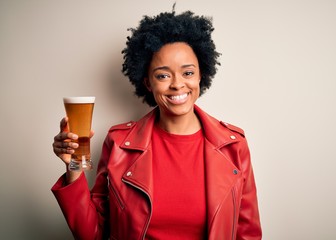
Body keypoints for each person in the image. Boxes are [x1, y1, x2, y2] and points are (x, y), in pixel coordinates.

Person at [52, 8, 262, 240]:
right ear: (148, 83)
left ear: (201, 75)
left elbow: (248, 234)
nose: (177, 84)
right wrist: (74, 167)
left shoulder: (234, 146)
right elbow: (92, 234)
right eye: (163, 75)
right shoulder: (119, 143)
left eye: (188, 73)